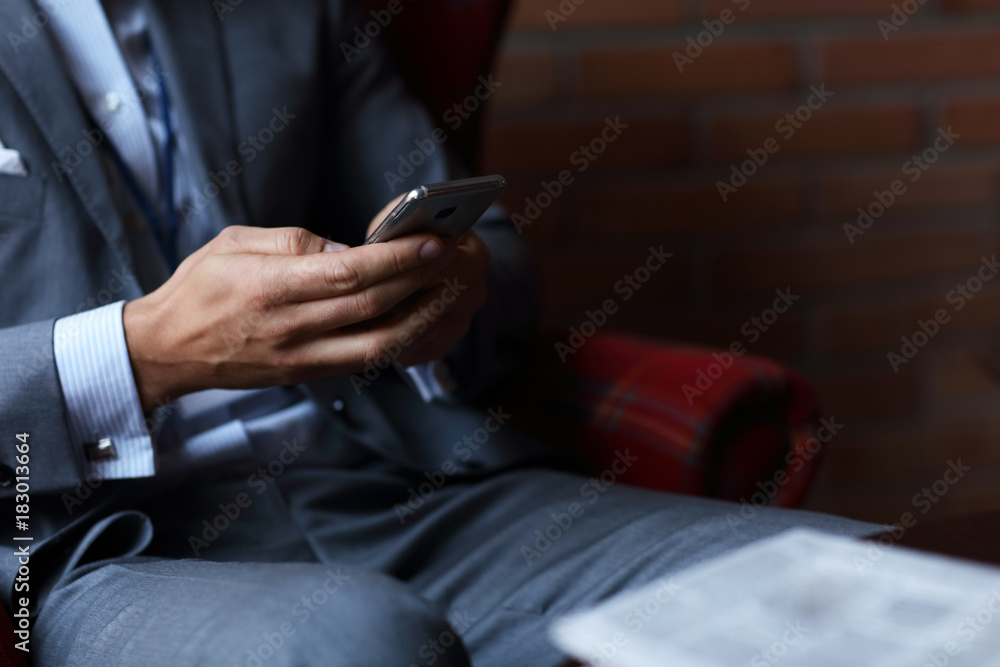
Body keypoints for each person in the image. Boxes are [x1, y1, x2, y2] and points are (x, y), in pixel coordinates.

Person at [0, 0, 882, 664]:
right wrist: (144, 353)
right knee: (360, 641)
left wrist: (440, 301)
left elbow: (485, 253)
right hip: (89, 545)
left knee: (869, 584)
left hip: (394, 490)